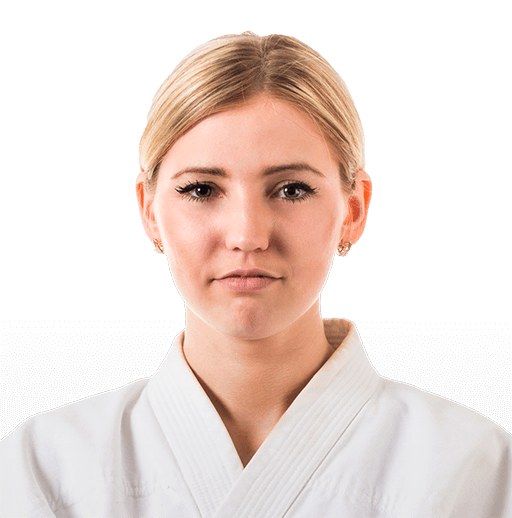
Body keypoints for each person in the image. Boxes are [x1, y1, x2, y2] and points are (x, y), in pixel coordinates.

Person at [0, 31, 510, 518]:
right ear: (149, 211)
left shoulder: (474, 468)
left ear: (353, 210)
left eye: (291, 190)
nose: (247, 235)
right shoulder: (41, 469)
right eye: (201, 189)